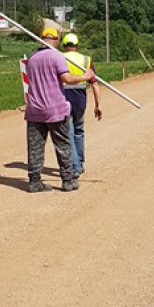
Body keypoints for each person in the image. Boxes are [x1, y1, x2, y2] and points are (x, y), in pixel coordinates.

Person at [24, 26, 95, 193]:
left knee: (35, 148)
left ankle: (34, 181)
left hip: (35, 109)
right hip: (55, 109)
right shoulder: (57, 56)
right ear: (56, 40)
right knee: (63, 145)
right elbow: (67, 79)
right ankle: (68, 181)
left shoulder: (32, 58)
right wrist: (85, 77)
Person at [61, 33, 102, 178]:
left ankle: (75, 166)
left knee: (68, 133)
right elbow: (95, 84)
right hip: (80, 99)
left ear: (64, 45)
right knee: (79, 131)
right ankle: (80, 162)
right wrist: (98, 105)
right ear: (77, 46)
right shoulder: (86, 59)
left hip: (64, 98)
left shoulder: (59, 58)